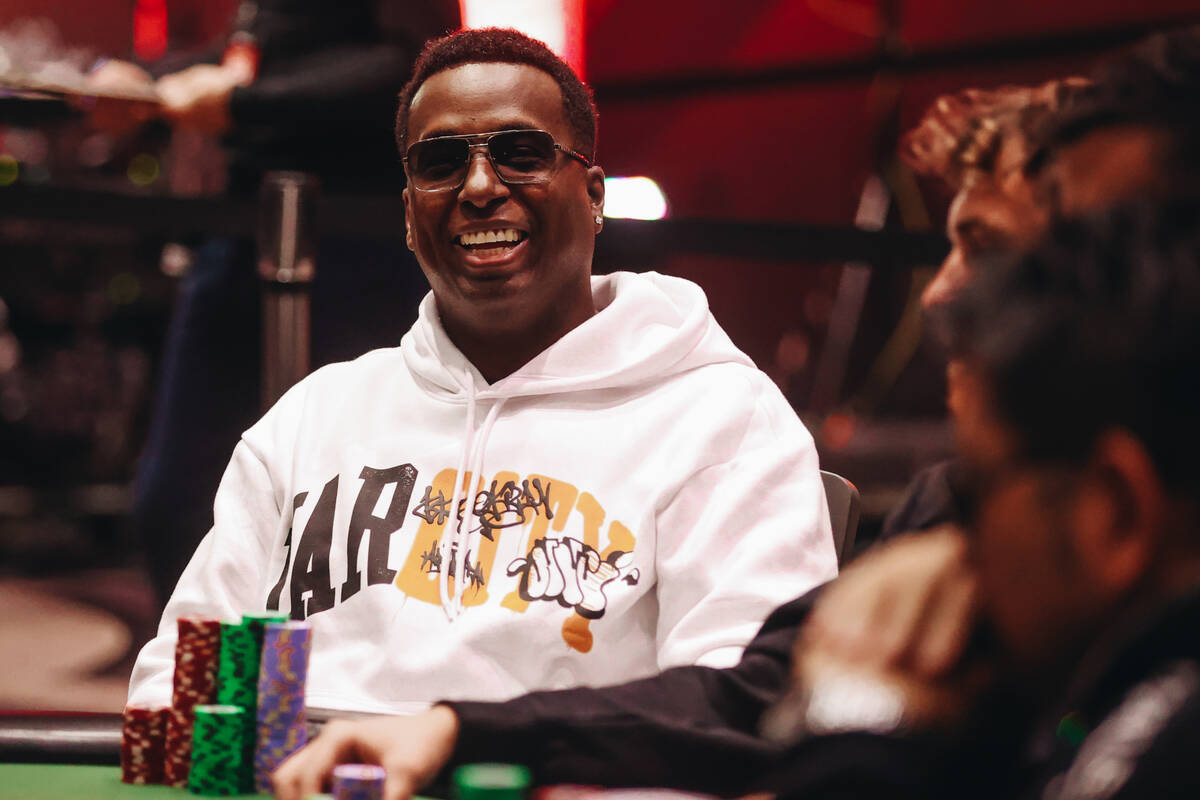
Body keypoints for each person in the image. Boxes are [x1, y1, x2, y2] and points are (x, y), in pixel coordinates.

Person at [270, 27, 1200, 799]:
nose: (945, 297)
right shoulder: (944, 507)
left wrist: (860, 709)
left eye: (1004, 256)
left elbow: (770, 725)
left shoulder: (725, 416)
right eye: (442, 162)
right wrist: (454, 730)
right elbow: (756, 702)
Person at [126, 28, 837, 716]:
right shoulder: (313, 418)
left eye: (520, 153)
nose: (477, 185)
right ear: (408, 215)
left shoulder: (719, 418)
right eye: (439, 163)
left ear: (593, 196)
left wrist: (466, 751)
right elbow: (182, 685)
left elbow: (742, 705)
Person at [85, 0, 461, 609]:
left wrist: (239, 104)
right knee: (183, 504)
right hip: (244, 239)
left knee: (338, 518)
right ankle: (229, 700)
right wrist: (145, 81)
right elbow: (257, 52)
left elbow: (418, 66)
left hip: (357, 253)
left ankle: (285, 698)